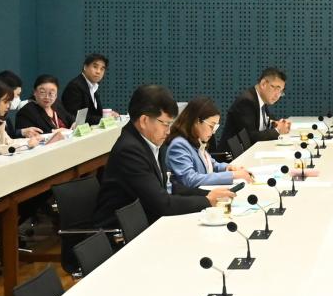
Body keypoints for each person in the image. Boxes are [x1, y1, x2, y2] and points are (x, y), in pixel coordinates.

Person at [93, 85, 235, 227]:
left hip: (146, 223)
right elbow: (162, 204)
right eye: (165, 124)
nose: (168, 131)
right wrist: (207, 201)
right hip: (122, 233)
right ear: (144, 121)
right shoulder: (129, 151)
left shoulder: (150, 141)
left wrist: (208, 194)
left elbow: (169, 188)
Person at [165, 96, 254, 189]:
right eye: (211, 126)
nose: (213, 132)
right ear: (197, 121)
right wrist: (232, 175)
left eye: (215, 127)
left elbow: (210, 164)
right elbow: (190, 179)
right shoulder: (179, 145)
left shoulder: (196, 140)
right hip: (190, 196)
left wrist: (227, 168)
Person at [221, 68, 292, 146]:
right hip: (233, 153)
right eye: (276, 89)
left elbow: (264, 121)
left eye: (281, 91)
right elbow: (250, 137)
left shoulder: (261, 99)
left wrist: (275, 123)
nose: (277, 95)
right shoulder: (246, 101)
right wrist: (278, 130)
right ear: (263, 84)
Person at [62, 53, 116, 126]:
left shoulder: (92, 85)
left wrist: (108, 115)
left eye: (102, 69)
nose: (98, 71)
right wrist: (102, 119)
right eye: (95, 67)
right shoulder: (74, 87)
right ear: (85, 67)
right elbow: (75, 117)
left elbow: (94, 113)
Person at [0, 70, 41, 139]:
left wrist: (22, 132)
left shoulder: (5, 118)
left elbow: (9, 136)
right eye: (17, 94)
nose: (18, 99)